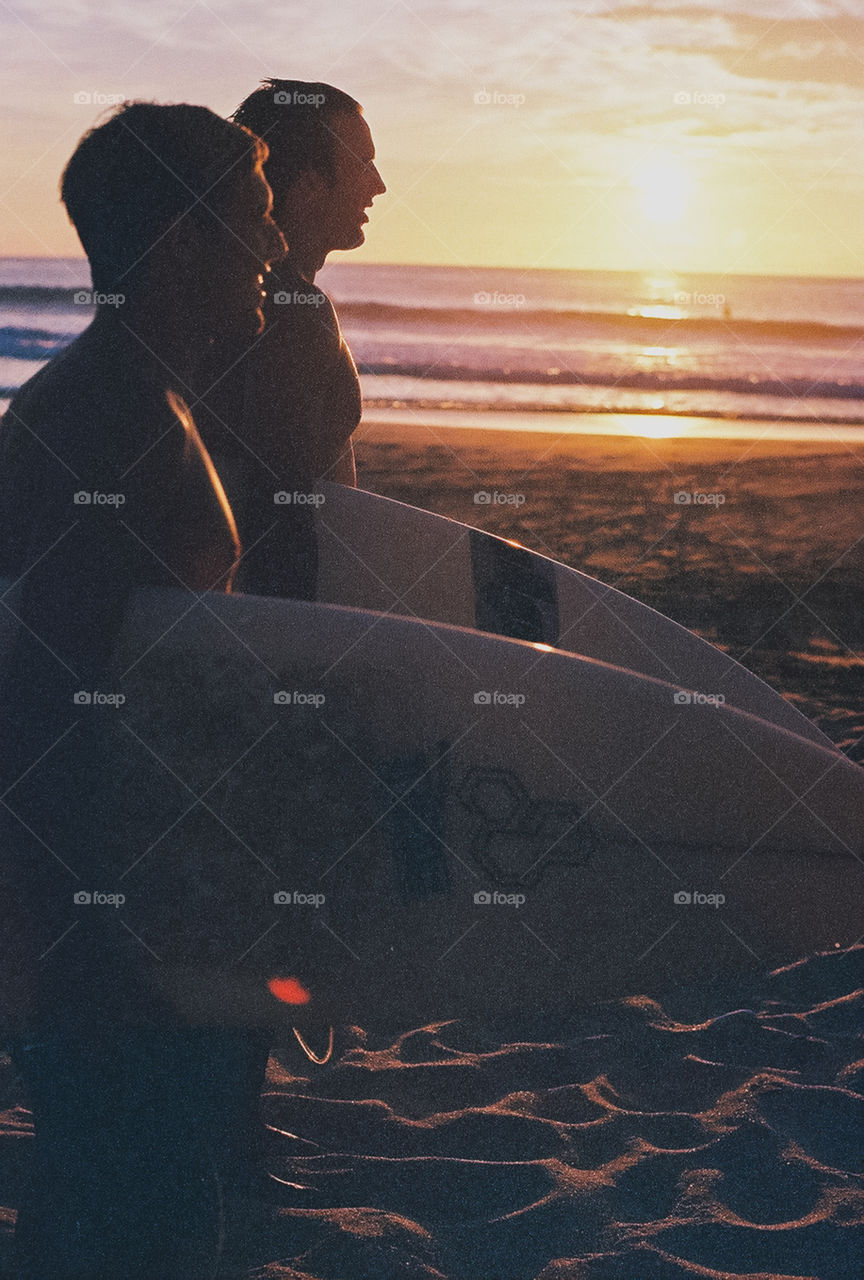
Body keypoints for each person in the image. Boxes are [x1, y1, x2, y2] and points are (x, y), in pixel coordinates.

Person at [0, 101, 285, 1278]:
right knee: (128, 1227)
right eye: (253, 224)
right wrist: (105, 955)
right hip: (115, 957)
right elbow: (47, 710)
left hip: (142, 933)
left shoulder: (133, 400)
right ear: (179, 245)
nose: (272, 251)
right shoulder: (105, 429)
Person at [192, 78, 386, 598]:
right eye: (363, 164)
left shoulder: (220, 300)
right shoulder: (289, 316)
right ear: (307, 183)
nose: (379, 185)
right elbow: (281, 511)